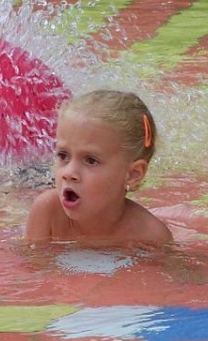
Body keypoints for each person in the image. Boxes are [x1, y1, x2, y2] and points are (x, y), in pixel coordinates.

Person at [25, 90, 173, 245]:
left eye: (91, 160)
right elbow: (31, 260)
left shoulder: (151, 236)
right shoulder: (48, 212)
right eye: (63, 156)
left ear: (132, 174)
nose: (69, 173)